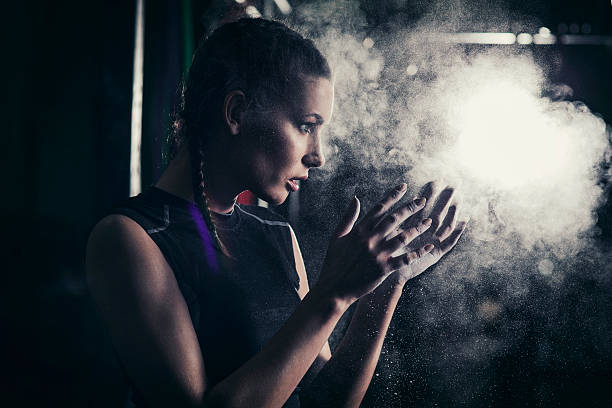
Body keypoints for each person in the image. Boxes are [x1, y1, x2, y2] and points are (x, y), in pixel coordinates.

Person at [86, 18, 466, 408]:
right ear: (236, 112)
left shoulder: (275, 233)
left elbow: (328, 401)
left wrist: (384, 285)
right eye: (306, 126)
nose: (318, 156)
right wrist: (332, 295)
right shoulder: (129, 237)